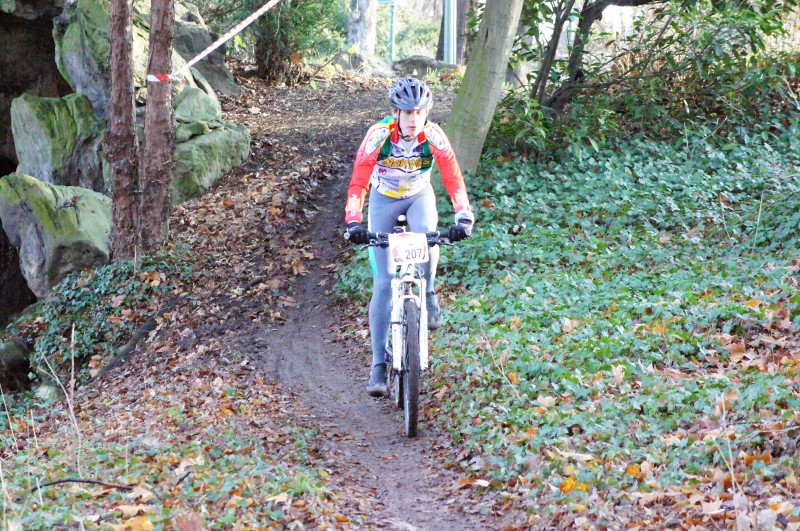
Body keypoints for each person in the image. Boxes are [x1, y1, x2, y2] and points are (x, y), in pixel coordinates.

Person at [344, 77, 475, 397]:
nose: (414, 118)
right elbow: (359, 181)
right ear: (396, 113)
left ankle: (428, 292)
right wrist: (354, 221)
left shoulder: (434, 135)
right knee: (384, 282)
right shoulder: (378, 136)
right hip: (383, 200)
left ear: (426, 113)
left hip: (418, 196)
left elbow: (453, 177)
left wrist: (463, 215)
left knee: (429, 236)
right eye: (407, 112)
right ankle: (378, 364)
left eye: (419, 112)